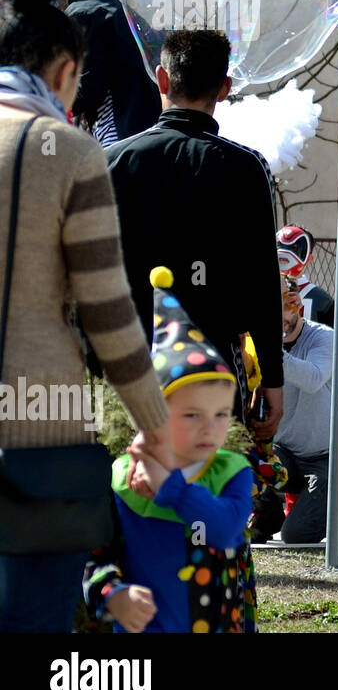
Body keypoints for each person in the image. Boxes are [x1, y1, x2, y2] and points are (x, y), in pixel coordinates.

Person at [0, 0, 170, 633]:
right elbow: (107, 309)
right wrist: (154, 422)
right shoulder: (69, 151)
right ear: (66, 70)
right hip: (40, 434)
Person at [106, 30, 283, 439]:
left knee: (131, 492)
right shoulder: (245, 168)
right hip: (214, 372)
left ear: (162, 79)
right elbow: (261, 283)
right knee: (210, 494)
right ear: (224, 89)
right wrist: (272, 378)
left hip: (129, 370)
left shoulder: (112, 161)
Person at [83, 268, 253, 633]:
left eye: (221, 413)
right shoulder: (117, 481)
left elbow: (222, 530)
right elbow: (96, 559)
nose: (210, 427)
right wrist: (113, 595)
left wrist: (168, 487)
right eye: (191, 414)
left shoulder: (232, 472)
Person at [270, 275, 338, 544]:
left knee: (296, 536)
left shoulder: (325, 337)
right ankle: (264, 515)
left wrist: (270, 350)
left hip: (332, 457)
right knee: (252, 460)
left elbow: (313, 378)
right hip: (287, 454)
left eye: (283, 304)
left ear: (297, 304)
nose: (276, 314)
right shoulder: (258, 342)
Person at [43, 0, 160, 145]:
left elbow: (88, 86)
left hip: (119, 130)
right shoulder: (111, 5)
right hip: (146, 123)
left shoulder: (79, 14)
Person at [276, 225, 334, 327]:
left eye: (294, 248)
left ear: (309, 259)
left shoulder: (321, 300)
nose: (285, 252)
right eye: (280, 245)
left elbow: (331, 339)